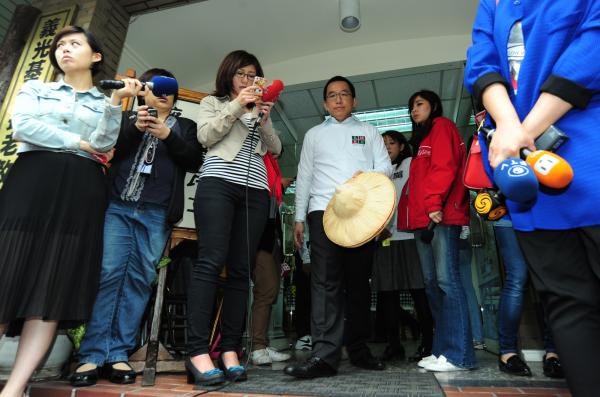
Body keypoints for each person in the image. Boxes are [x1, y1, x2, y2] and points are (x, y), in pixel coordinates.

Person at [465, 1, 600, 394]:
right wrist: (507, 125)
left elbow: (590, 50)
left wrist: (524, 129)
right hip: (525, 174)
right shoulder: (492, 4)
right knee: (567, 301)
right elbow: (481, 60)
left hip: (587, 152)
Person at [0, 26, 140, 397]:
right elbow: (24, 127)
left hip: (82, 189)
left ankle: (13, 389)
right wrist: (77, 141)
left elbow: (105, 143)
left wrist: (115, 105)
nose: (64, 49)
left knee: (50, 292)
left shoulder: (102, 100)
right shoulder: (37, 88)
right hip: (32, 179)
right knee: (5, 274)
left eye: (74, 44)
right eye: (60, 45)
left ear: (95, 56)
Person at [70, 68, 204, 387]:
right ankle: (91, 355)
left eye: (167, 89)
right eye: (153, 86)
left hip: (156, 213)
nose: (161, 93)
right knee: (109, 274)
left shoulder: (185, 126)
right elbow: (109, 148)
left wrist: (166, 135)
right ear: (143, 90)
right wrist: (137, 127)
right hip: (117, 206)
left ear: (175, 96)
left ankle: (118, 353)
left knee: (140, 280)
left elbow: (193, 161)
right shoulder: (129, 119)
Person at [284, 75, 393, 379]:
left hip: (360, 214)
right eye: (332, 95)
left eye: (344, 94)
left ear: (354, 100)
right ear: (325, 103)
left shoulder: (368, 131)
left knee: (359, 284)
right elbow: (304, 176)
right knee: (325, 284)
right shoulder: (314, 134)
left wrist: (368, 172)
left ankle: (358, 351)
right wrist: (299, 217)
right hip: (322, 212)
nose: (339, 100)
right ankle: (324, 356)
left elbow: (385, 166)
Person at [186, 50, 281, 386]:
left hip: (254, 192)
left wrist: (264, 119)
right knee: (209, 263)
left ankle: (229, 349)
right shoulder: (213, 102)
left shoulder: (258, 109)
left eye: (254, 75)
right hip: (217, 185)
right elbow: (205, 137)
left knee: (242, 270)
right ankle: (197, 350)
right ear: (229, 75)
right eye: (242, 74)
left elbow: (276, 149)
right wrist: (237, 105)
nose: (248, 80)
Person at [397, 90, 474, 372]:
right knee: (432, 285)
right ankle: (442, 351)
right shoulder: (421, 141)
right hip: (423, 221)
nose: (414, 109)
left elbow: (445, 167)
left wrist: (432, 204)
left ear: (434, 105)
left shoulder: (442, 126)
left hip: (440, 215)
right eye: (411, 106)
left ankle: (459, 355)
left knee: (446, 282)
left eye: (419, 104)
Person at [372, 130, 433, 362]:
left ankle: (428, 343)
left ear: (402, 145)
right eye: (383, 143)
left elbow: (413, 198)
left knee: (419, 293)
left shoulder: (410, 164)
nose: (387, 146)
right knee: (387, 297)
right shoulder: (378, 172)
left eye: (392, 142)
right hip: (384, 241)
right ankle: (393, 346)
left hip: (408, 238)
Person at [249, 152, 292, 366]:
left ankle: (262, 344)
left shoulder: (270, 164)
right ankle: (257, 347)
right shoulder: (257, 162)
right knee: (266, 290)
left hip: (271, 239)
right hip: (258, 240)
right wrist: (279, 183)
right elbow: (262, 188)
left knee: (270, 291)